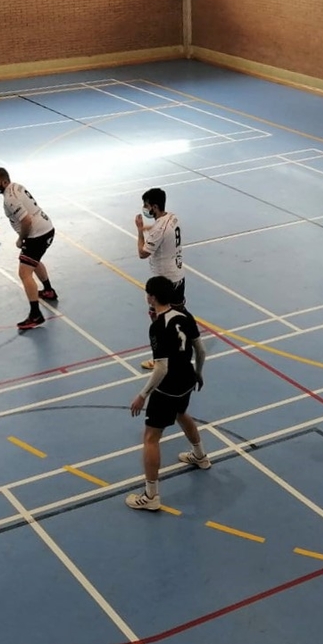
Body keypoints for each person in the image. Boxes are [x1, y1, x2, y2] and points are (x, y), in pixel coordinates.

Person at [126, 276, 209, 511]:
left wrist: (143, 395)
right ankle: (200, 456)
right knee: (181, 412)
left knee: (151, 438)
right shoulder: (185, 315)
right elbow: (201, 350)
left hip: (168, 387)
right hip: (188, 380)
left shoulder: (158, 326)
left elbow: (161, 368)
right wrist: (198, 373)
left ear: (152, 297)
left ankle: (151, 496)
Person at [0, 167, 58, 329]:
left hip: (37, 235)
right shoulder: (16, 186)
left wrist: (21, 238)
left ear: (4, 182)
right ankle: (48, 291)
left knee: (24, 273)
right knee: (34, 261)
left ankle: (36, 315)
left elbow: (26, 221)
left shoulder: (10, 199)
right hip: (47, 228)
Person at [135, 187, 185, 370]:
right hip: (179, 276)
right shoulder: (172, 217)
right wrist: (147, 227)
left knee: (157, 320)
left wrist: (140, 231)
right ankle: (185, 342)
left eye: (146, 205)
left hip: (164, 281)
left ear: (154, 207)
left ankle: (161, 357)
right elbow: (159, 229)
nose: (145, 209)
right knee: (179, 313)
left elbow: (142, 253)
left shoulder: (158, 230)